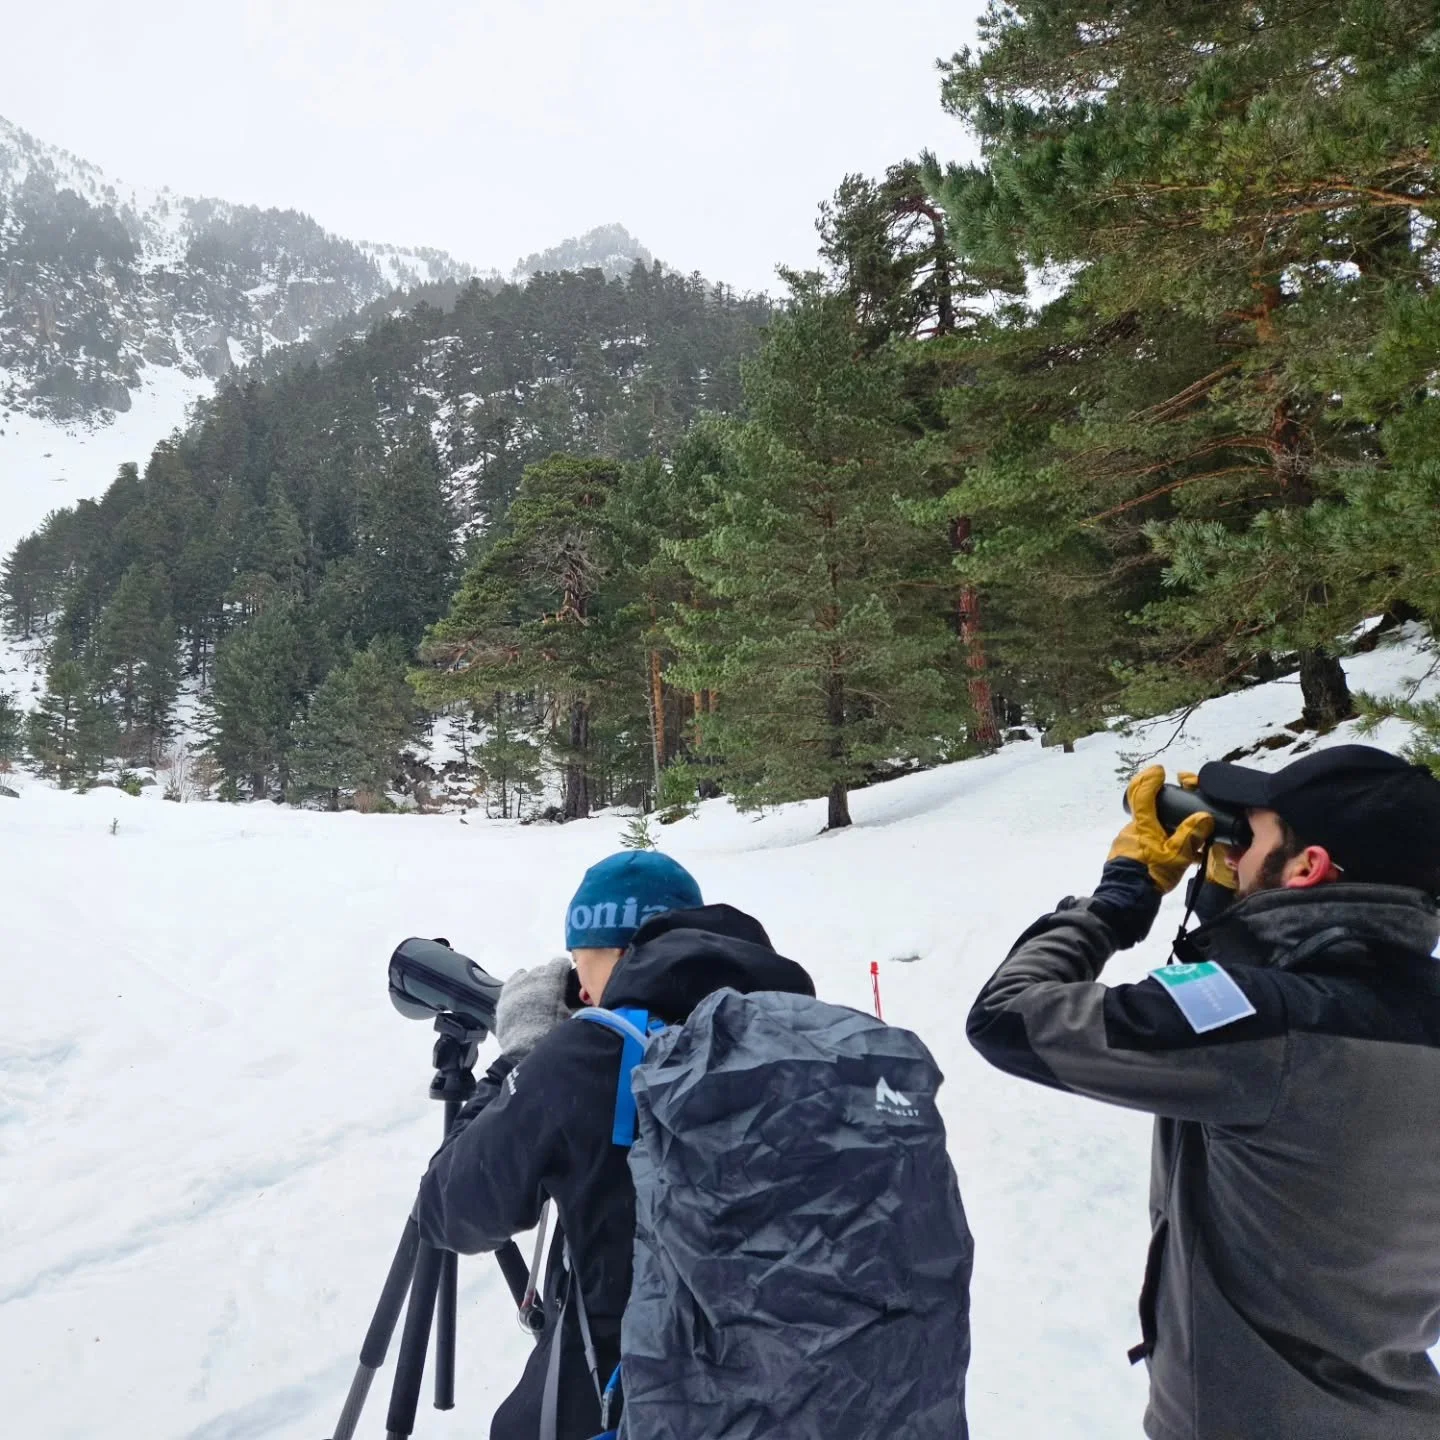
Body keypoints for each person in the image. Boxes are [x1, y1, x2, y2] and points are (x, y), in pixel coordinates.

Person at [967, 744, 1440, 1440]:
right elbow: (1249, 1008)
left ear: (1307, 868)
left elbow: (1009, 1018)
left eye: (1255, 836)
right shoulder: (1382, 1014)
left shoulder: (1268, 1030)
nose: (1235, 849)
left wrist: (1121, 898)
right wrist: (1231, 904)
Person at [414, 850, 814, 1440]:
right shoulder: (800, 1035)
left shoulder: (594, 1057)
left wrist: (523, 1055)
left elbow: (448, 1209)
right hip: (808, 1397)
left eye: (584, 962)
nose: (580, 988)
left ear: (624, 955)